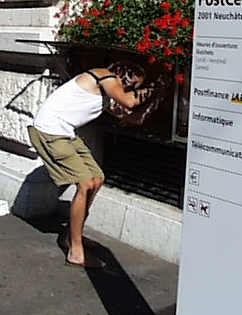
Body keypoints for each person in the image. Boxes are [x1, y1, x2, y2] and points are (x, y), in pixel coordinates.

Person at [28, 63, 153, 269]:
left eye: (134, 83)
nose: (129, 83)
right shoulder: (104, 76)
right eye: (129, 76)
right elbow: (129, 102)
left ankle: (71, 235)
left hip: (65, 133)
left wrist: (157, 97)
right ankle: (75, 250)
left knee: (97, 178)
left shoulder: (109, 91)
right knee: (85, 184)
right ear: (119, 69)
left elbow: (130, 115)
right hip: (50, 131)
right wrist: (156, 88)